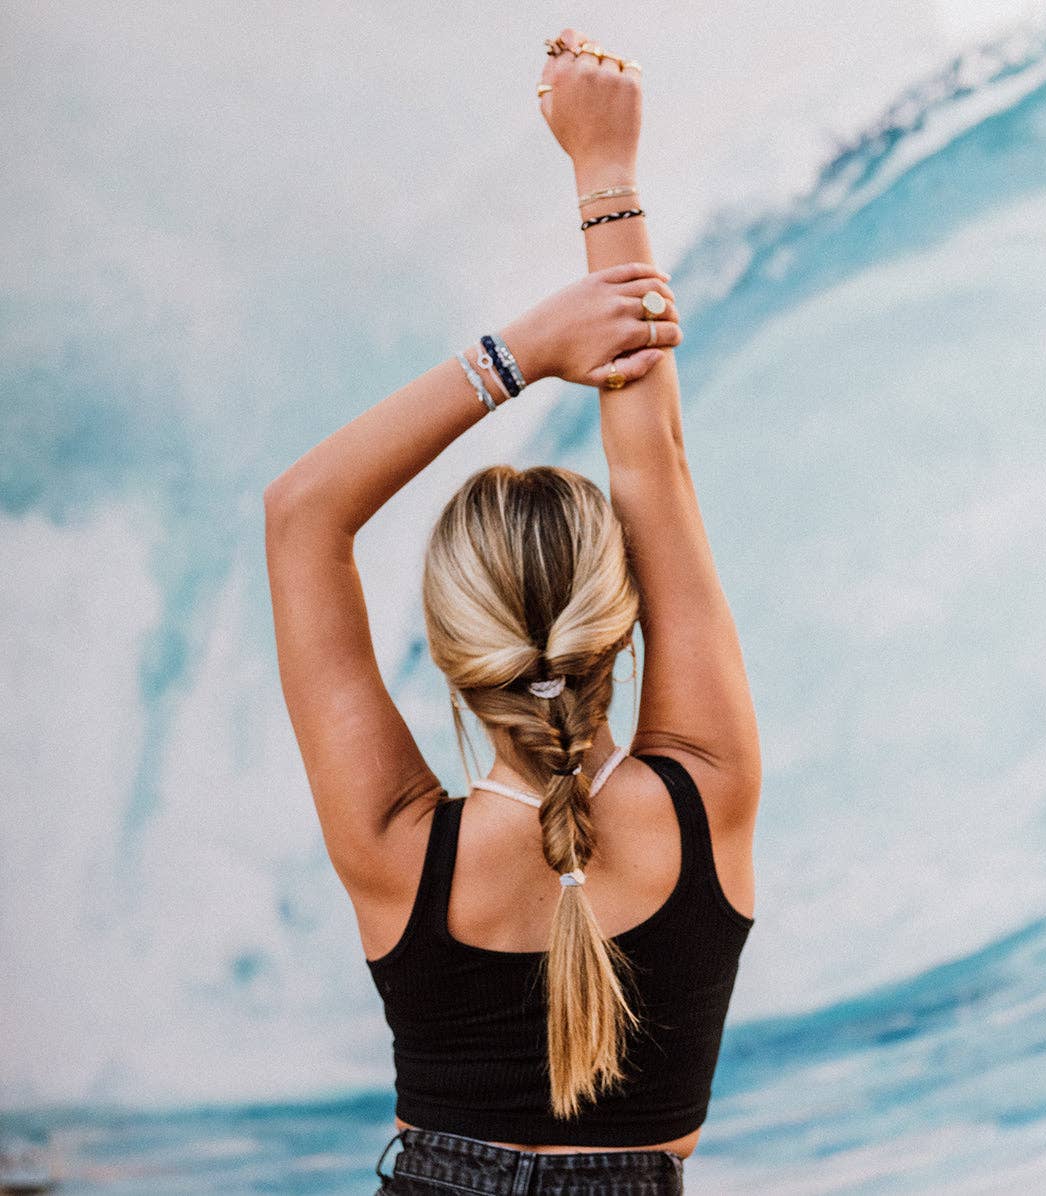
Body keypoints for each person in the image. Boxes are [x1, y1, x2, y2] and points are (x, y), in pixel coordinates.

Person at [264, 26, 761, 1196]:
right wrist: (606, 169)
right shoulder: (705, 792)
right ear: (623, 623)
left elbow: (302, 514)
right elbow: (654, 467)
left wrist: (522, 351)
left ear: (450, 653)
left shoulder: (399, 849)